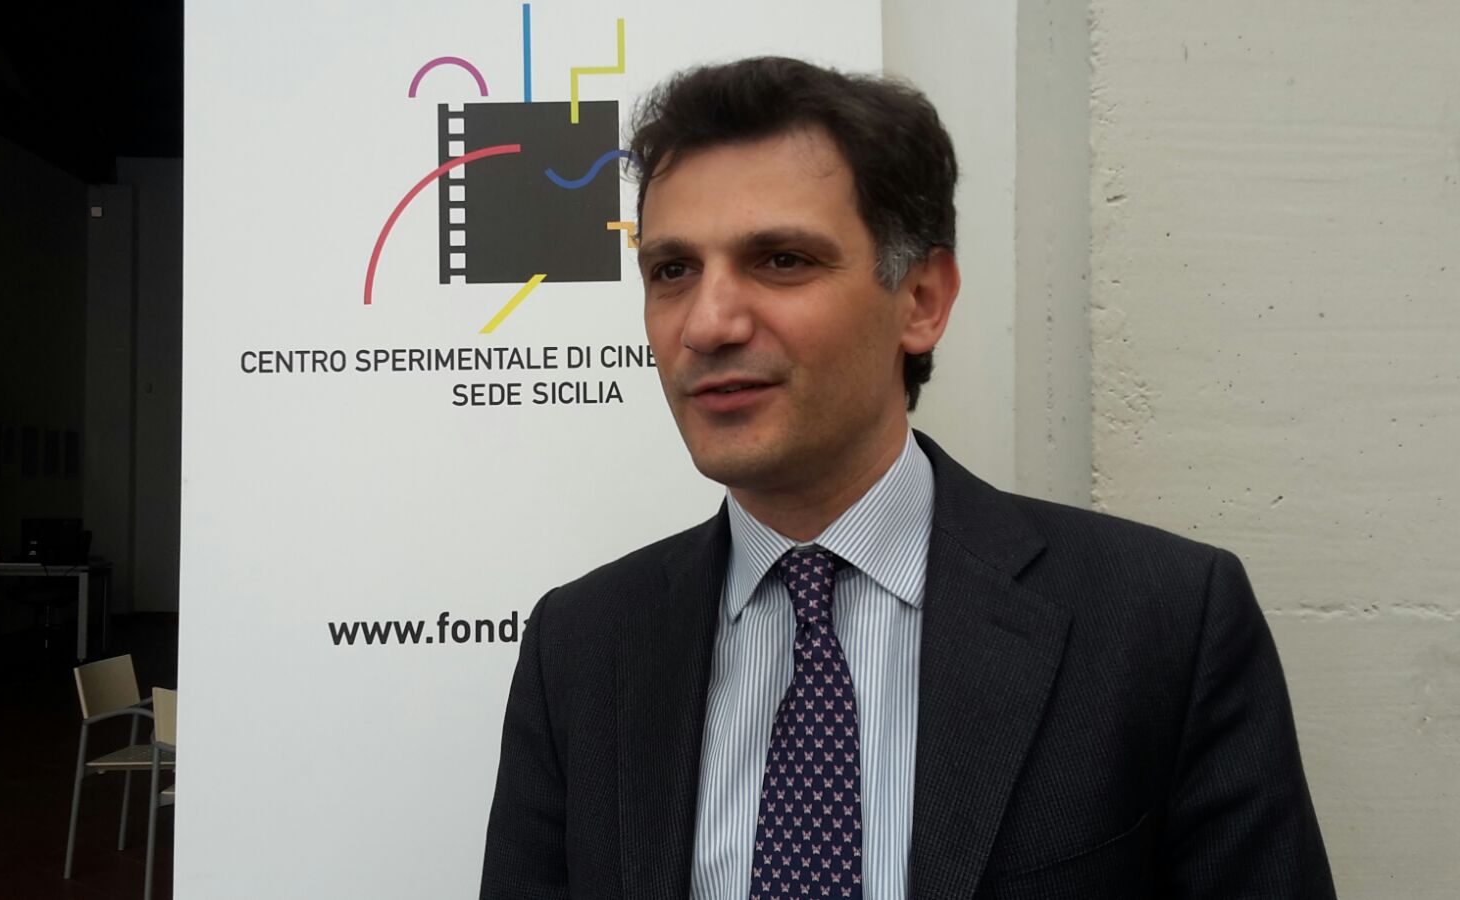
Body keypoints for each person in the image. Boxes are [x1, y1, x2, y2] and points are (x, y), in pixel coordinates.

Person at [480, 56, 1335, 900]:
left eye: (781, 260)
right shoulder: (582, 648)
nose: (708, 323)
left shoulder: (1162, 624)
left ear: (921, 300)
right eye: (673, 271)